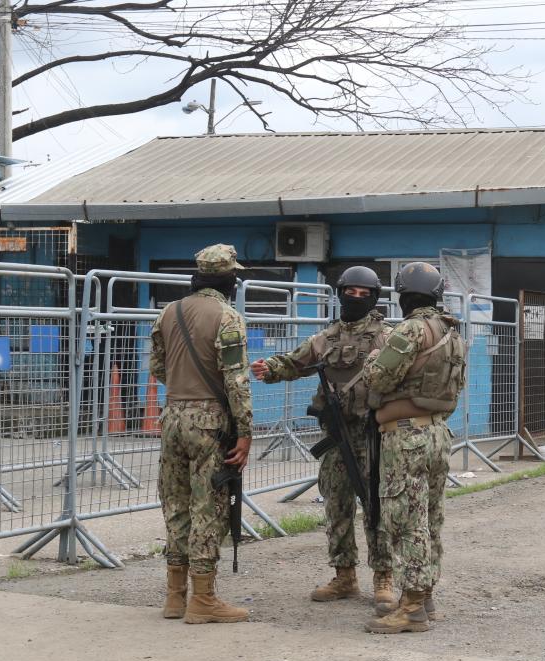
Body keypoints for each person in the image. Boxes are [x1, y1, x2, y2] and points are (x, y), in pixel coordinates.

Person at [249, 266, 395, 614]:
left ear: (373, 298)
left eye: (363, 294)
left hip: (372, 434)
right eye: (350, 292)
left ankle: (384, 578)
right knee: (337, 505)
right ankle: (344, 575)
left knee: (377, 506)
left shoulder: (386, 338)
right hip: (336, 436)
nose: (355, 299)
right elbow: (295, 362)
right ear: (340, 293)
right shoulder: (326, 339)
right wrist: (268, 368)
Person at [150, 243, 252, 625]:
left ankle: (175, 598)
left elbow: (157, 366)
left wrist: (183, 389)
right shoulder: (228, 317)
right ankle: (204, 599)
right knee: (207, 506)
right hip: (209, 419)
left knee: (175, 504)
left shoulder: (169, 312)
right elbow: (237, 380)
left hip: (173, 415)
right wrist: (244, 432)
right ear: (229, 280)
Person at [362, 262, 466, 634]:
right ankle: (426, 597)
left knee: (406, 521)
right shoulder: (452, 333)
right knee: (430, 519)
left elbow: (377, 376)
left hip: (406, 437)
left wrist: (374, 358)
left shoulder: (409, 329)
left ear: (404, 295)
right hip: (437, 433)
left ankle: (411, 608)